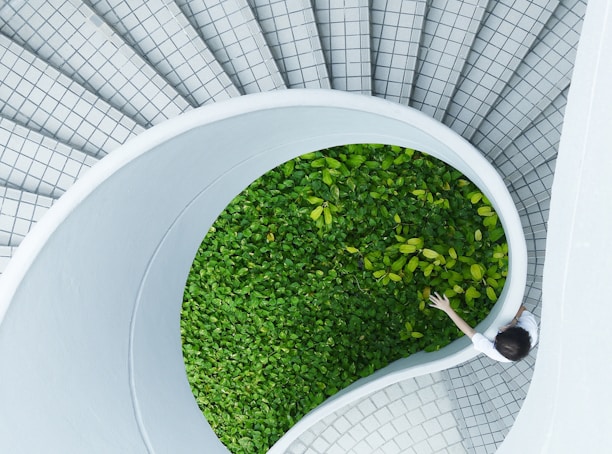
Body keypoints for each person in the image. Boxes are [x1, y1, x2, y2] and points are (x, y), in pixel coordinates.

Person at [428, 292, 538, 362]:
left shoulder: (494, 352)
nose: (500, 330)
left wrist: (447, 309)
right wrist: (514, 320)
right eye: (502, 332)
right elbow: (522, 308)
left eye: (497, 339)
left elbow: (469, 331)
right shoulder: (529, 328)